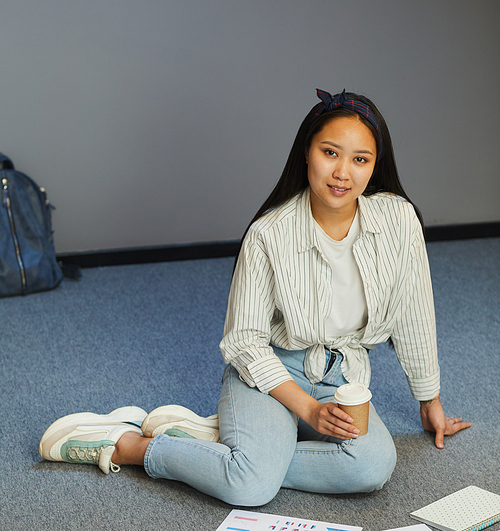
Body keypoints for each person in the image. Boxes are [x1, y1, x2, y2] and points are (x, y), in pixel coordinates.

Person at [39, 88, 470, 506]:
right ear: (307, 152)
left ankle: (219, 447)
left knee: (370, 468)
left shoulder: (398, 220)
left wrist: (428, 399)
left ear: (375, 165)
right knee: (250, 487)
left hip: (343, 376)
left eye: (360, 159)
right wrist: (307, 410)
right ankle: (132, 445)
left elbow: (415, 312)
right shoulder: (269, 233)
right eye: (330, 152)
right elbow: (244, 342)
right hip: (269, 374)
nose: (343, 172)